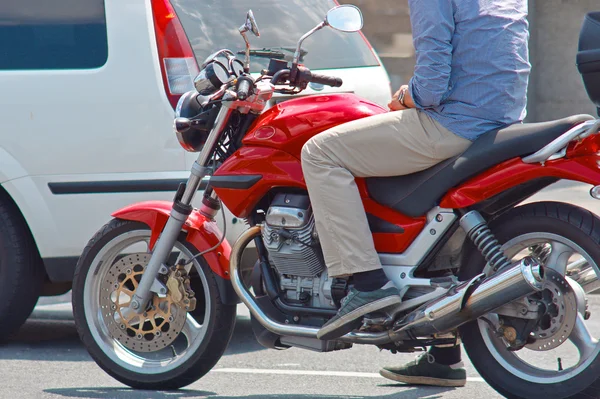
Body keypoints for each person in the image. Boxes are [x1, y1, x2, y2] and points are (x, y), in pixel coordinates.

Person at [300, 0, 530, 388]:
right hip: (503, 121)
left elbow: (433, 82)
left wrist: (406, 97)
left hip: (456, 123)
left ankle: (366, 284)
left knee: (319, 152)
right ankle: (443, 355)